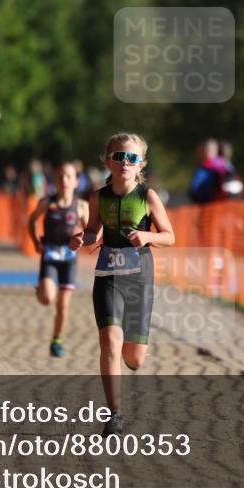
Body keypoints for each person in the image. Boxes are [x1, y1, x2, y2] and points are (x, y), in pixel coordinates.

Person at [70, 132, 175, 436]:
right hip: (108, 276)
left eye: (132, 158)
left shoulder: (147, 196)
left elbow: (170, 236)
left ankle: (134, 355)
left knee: (134, 358)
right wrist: (82, 238)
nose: (125, 163)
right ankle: (114, 414)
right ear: (108, 161)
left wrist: (148, 236)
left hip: (139, 277)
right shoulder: (98, 197)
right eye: (119, 157)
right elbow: (93, 230)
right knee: (109, 341)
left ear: (141, 163)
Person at [27, 162, 89, 358]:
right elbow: (32, 220)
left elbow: (92, 232)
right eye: (60, 176)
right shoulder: (47, 202)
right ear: (55, 180)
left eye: (69, 176)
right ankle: (42, 290)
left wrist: (82, 239)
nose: (64, 180)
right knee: (47, 298)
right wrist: (36, 242)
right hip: (50, 256)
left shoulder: (81, 206)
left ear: (76, 181)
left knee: (63, 305)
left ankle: (57, 341)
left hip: (69, 259)